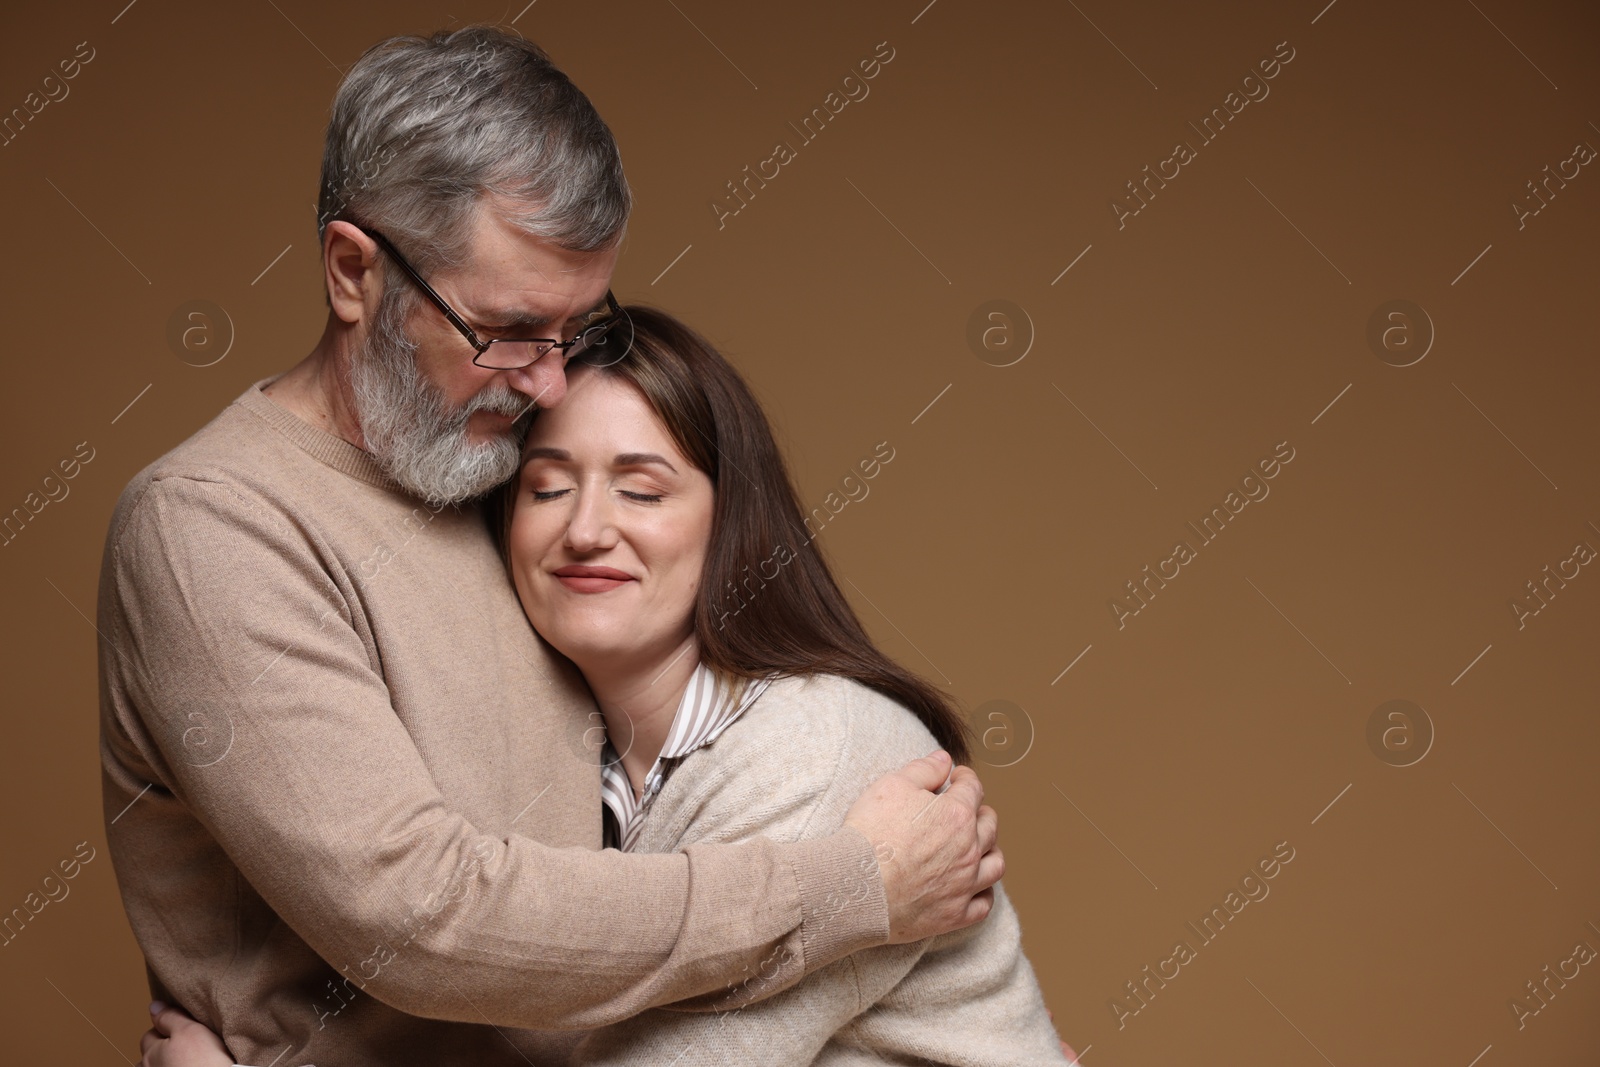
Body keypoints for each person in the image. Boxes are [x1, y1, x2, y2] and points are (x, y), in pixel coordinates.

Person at [100, 27, 1002, 1067]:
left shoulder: (495, 462)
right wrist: (850, 884)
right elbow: (422, 915)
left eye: (576, 330)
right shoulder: (212, 526)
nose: (550, 384)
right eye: (511, 329)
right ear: (353, 272)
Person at [141, 307, 1076, 1065]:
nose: (587, 529)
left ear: (730, 521)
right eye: (548, 488)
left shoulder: (822, 749)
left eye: (642, 489)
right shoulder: (567, 775)